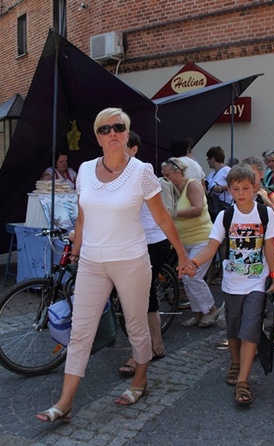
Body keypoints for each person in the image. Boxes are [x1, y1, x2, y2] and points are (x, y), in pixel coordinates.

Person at [36, 108, 192, 423]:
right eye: (105, 129)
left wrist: (183, 255)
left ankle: (140, 380)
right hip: (93, 261)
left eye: (118, 128)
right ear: (97, 136)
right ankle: (65, 403)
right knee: (80, 331)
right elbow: (82, 216)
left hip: (131, 260)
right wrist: (75, 250)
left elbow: (162, 217)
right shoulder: (85, 170)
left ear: (127, 132)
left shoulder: (142, 171)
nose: (112, 134)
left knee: (136, 325)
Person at [182, 164, 274, 405]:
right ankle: (235, 363)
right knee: (234, 330)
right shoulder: (225, 216)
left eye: (245, 188)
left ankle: (244, 381)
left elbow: (269, 247)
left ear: (255, 187)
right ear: (230, 190)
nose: (241, 193)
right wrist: (193, 262)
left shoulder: (265, 214)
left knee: (250, 330)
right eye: (235, 189)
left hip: (257, 283)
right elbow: (211, 247)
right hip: (232, 283)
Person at [117, 131, 175, 376]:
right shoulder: (118, 173)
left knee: (136, 299)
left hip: (151, 242)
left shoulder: (141, 171)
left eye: (122, 147)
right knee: (145, 296)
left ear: (133, 149)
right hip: (137, 242)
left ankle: (139, 353)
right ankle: (157, 346)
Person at [161, 157, 223, 328]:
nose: (164, 177)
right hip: (183, 242)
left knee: (191, 277)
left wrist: (173, 213)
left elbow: (197, 209)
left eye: (166, 174)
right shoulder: (170, 189)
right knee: (186, 277)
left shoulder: (192, 185)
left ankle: (211, 309)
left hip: (202, 239)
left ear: (178, 173)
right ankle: (198, 314)